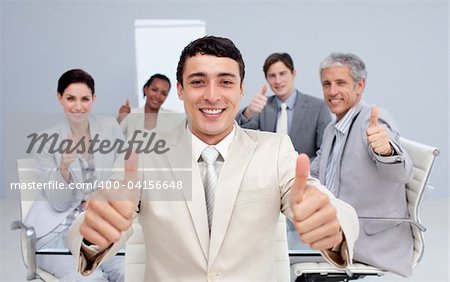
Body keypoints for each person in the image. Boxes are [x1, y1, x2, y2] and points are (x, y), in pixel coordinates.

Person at [68, 36, 359, 281]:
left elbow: (322, 201)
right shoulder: (145, 156)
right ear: (180, 90)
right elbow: (99, 217)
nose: (212, 95)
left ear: (241, 89)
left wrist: (333, 226)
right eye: (197, 82)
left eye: (225, 82)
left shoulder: (275, 150)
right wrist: (93, 232)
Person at [311, 53, 414, 277]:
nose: (332, 91)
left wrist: (385, 150)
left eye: (340, 83)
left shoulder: (371, 120)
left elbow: (401, 172)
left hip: (368, 239)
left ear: (360, 86)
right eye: (326, 84)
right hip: (336, 227)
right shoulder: (333, 128)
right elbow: (315, 172)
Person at [24, 69, 125, 281]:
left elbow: (124, 174)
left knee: (128, 271)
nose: (78, 106)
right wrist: (64, 167)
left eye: (85, 99)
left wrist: (104, 199)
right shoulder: (45, 140)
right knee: (90, 278)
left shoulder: (109, 128)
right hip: (57, 233)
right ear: (59, 98)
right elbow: (58, 203)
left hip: (100, 228)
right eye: (70, 98)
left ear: (94, 99)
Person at [236, 52, 331, 159]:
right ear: (266, 79)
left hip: (305, 173)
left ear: (293, 73)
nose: (278, 81)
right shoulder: (261, 106)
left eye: (282, 74)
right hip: (269, 173)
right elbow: (240, 137)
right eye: (272, 76)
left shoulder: (318, 107)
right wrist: (249, 112)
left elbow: (325, 152)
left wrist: (302, 169)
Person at [117, 73, 177, 138]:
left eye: (164, 94)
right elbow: (115, 138)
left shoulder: (173, 118)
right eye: (154, 90)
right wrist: (120, 119)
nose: (157, 96)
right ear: (146, 89)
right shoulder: (130, 114)